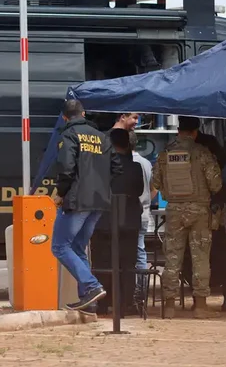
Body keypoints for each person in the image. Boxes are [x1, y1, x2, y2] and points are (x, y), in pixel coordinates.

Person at [51, 99, 122, 311]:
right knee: (78, 247)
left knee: (59, 246)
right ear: (83, 114)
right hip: (99, 202)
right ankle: (88, 301)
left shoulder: (69, 135)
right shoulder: (103, 137)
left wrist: (60, 193)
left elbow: (66, 168)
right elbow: (117, 168)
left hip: (78, 200)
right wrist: (99, 185)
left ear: (65, 117)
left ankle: (92, 286)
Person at [151, 115, 222, 319]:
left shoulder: (165, 154)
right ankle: (200, 306)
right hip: (199, 210)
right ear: (195, 132)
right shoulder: (202, 153)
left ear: (178, 131)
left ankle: (170, 306)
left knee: (172, 257)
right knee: (200, 257)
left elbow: (156, 181)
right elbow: (215, 184)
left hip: (174, 210)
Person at [189, 126, 226, 312]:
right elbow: (219, 176)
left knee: (190, 255)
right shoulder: (209, 144)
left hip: (184, 208)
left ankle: (190, 301)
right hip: (211, 208)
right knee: (220, 251)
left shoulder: (175, 148)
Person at [90, 128, 145, 316]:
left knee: (103, 262)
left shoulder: (99, 166)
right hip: (129, 222)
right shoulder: (135, 167)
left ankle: (103, 303)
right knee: (127, 264)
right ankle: (125, 303)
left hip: (103, 222)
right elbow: (138, 191)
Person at [131, 131, 154, 305]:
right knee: (140, 252)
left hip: (129, 213)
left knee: (127, 253)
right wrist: (146, 202)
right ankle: (142, 291)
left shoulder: (124, 163)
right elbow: (155, 188)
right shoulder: (146, 163)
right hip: (145, 213)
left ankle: (133, 291)